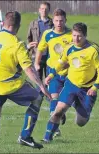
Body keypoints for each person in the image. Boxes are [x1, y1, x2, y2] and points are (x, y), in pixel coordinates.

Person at [0, 11, 51, 153]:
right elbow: (29, 69)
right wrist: (41, 86)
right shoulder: (17, 44)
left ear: (4, 23)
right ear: (18, 26)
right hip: (12, 85)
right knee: (37, 97)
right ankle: (25, 136)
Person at [42, 22, 99, 142]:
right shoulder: (69, 49)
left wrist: (95, 88)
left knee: (81, 122)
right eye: (74, 35)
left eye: (79, 36)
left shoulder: (93, 50)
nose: (76, 39)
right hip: (71, 85)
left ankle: (76, 104)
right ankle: (47, 138)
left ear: (85, 35)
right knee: (58, 111)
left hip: (87, 90)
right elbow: (61, 63)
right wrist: (51, 74)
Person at [35, 8, 72, 138]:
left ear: (65, 20)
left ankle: (58, 116)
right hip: (53, 73)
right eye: (56, 20)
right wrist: (37, 63)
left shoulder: (72, 35)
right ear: (53, 21)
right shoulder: (47, 34)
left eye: (61, 20)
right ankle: (54, 130)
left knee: (62, 104)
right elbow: (40, 49)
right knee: (53, 99)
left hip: (69, 74)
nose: (59, 23)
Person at [27, 1, 53, 81]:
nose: (44, 11)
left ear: (49, 10)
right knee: (38, 79)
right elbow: (29, 38)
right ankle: (40, 93)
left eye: (46, 9)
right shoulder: (33, 23)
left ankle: (49, 93)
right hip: (37, 55)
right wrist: (30, 48)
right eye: (42, 9)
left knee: (49, 79)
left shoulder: (53, 24)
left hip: (50, 55)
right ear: (39, 10)